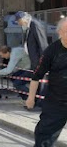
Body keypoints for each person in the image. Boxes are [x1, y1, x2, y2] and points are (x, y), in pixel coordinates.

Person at [26, 17, 67, 147]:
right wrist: (31, 98)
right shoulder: (51, 51)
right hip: (56, 103)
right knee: (44, 137)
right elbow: (36, 76)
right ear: (59, 32)